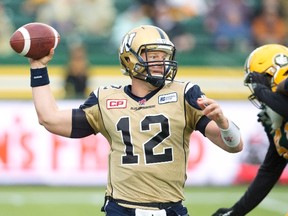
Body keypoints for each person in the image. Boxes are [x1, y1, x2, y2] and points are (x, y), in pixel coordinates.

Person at [28, 25, 243, 216]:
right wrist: (38, 67)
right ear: (130, 59)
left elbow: (234, 145)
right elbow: (50, 118)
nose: (161, 62)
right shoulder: (106, 99)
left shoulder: (185, 94)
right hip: (120, 208)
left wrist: (224, 123)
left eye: (164, 55)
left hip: (170, 209)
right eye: (153, 55)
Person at [212, 44, 288, 216]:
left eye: (260, 81)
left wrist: (262, 92)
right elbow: (270, 170)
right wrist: (236, 212)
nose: (256, 89)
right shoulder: (277, 120)